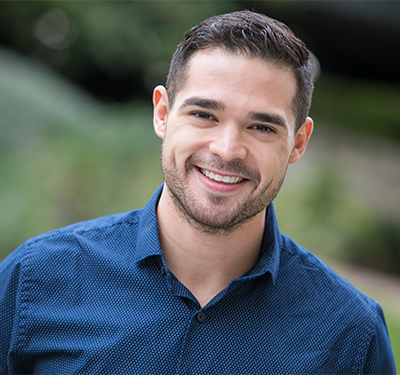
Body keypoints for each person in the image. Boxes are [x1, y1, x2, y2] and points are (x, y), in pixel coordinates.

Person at [0, 10, 396, 375]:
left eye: (261, 127)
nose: (226, 149)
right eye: (204, 114)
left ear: (298, 142)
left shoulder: (350, 338)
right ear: (162, 114)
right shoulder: (35, 280)